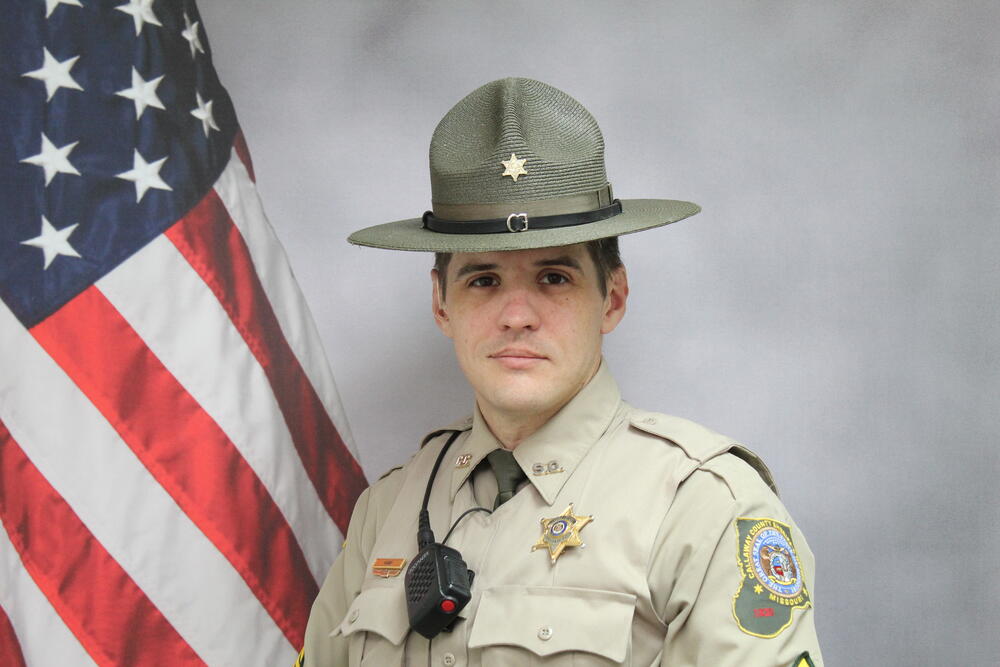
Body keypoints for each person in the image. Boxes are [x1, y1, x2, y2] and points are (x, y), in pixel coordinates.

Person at [298, 77, 822, 666]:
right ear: (442, 304)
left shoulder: (705, 508)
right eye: (483, 280)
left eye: (554, 278)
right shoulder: (387, 509)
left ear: (613, 298)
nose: (516, 316)